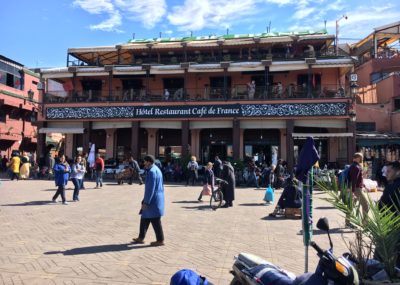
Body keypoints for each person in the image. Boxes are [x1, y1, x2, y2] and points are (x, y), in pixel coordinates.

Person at [132, 155, 165, 246]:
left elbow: (150, 189)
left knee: (155, 219)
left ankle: (160, 240)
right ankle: (141, 237)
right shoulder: (157, 169)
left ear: (149, 162)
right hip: (157, 197)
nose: (144, 163)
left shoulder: (151, 172)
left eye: (145, 161)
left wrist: (146, 202)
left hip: (152, 200)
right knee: (144, 217)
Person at [348, 152, 369, 224]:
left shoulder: (354, 166)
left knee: (351, 206)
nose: (362, 159)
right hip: (356, 189)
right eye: (361, 157)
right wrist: (353, 191)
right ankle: (365, 223)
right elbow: (354, 180)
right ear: (358, 158)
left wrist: (363, 185)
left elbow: (357, 179)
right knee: (366, 204)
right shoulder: (356, 167)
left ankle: (347, 222)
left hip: (356, 188)